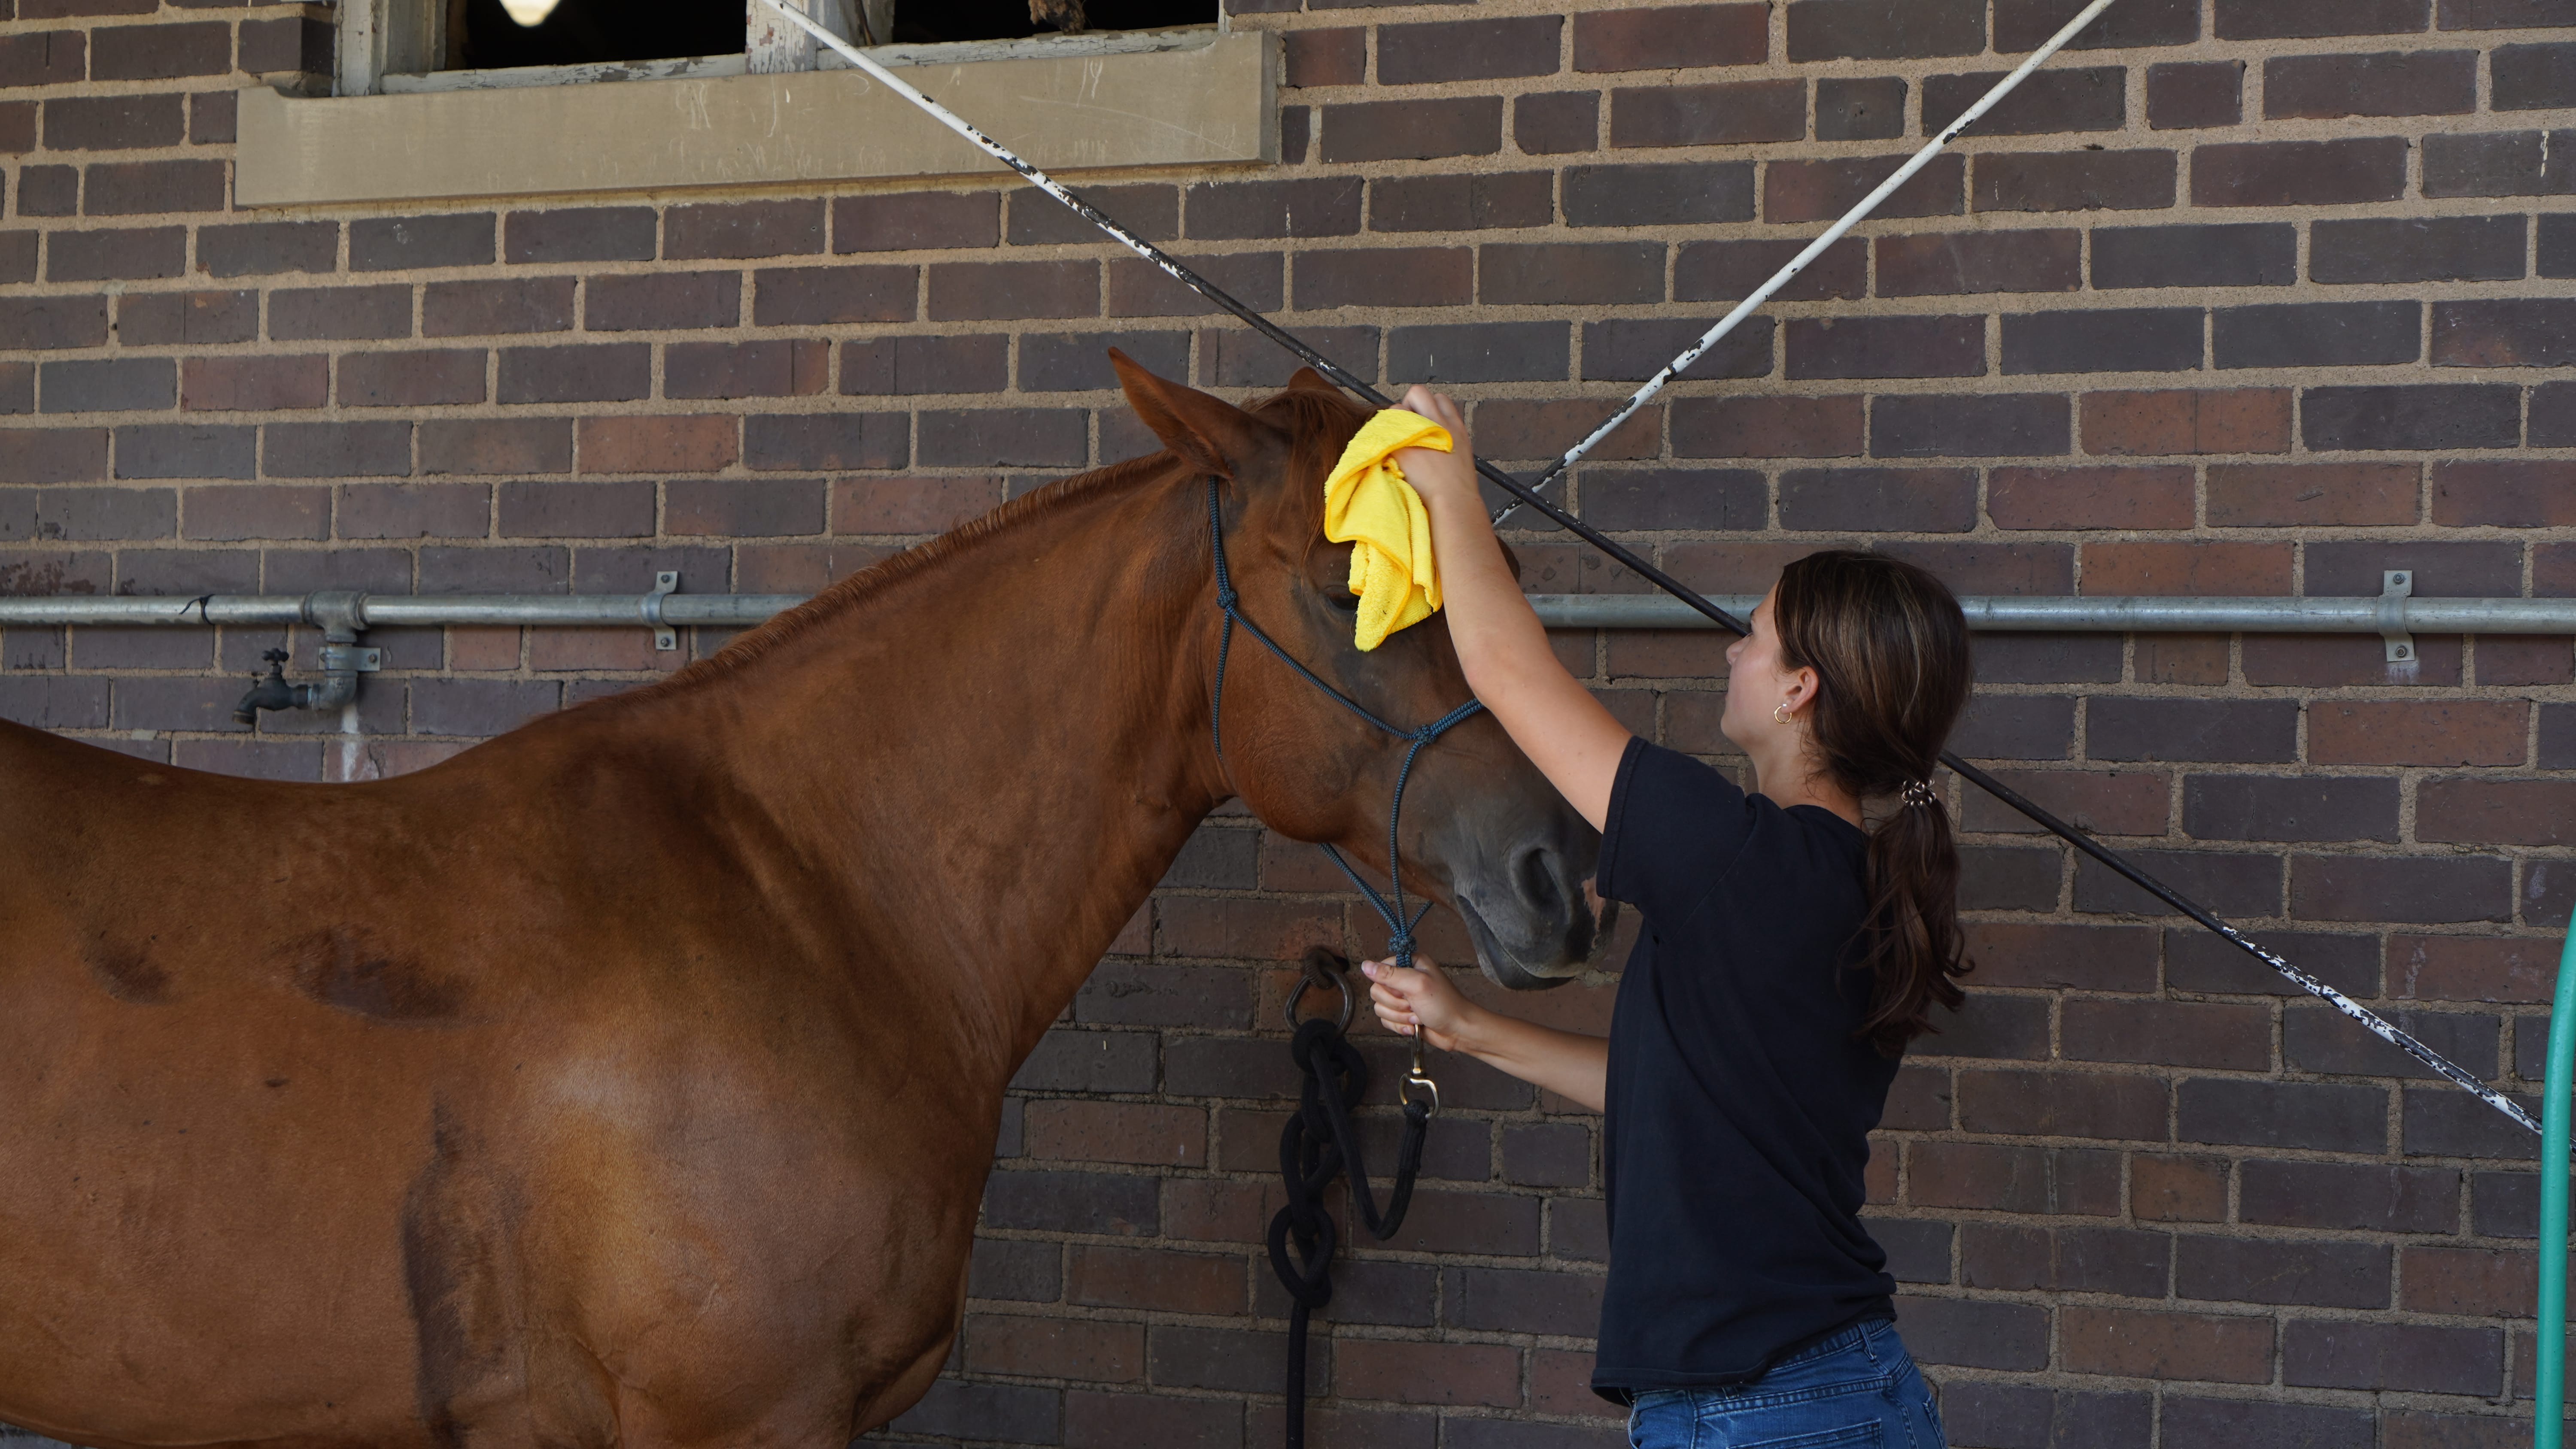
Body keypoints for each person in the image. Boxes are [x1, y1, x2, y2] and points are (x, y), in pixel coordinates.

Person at [1362, 385, 1974, 1449]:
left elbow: (1508, 673)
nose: (1732, 651)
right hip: (1816, 1394)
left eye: (1755, 635)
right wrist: (1468, 1027)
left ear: (1800, 691)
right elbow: (1678, 1091)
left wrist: (1451, 484)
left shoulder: (1745, 860)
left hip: (1768, 1414)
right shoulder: (1851, 884)